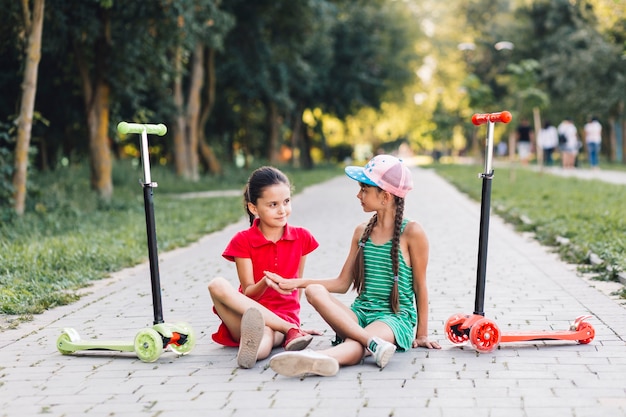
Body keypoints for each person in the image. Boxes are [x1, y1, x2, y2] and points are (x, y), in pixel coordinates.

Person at [265, 155, 441, 378]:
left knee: (360, 341)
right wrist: (296, 283)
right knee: (314, 291)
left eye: (364, 189)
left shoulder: (413, 232)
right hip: (359, 313)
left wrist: (422, 334)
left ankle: (320, 358)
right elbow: (341, 284)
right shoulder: (361, 232)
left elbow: (420, 285)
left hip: (393, 318)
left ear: (385, 196)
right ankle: (364, 346)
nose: (359, 195)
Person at [207, 166, 319, 369]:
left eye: (286, 202)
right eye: (273, 204)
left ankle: (251, 351)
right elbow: (248, 292)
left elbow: (298, 284)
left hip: (281, 316)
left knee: (265, 332)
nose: (282, 210)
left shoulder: (302, 237)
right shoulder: (242, 240)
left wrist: (295, 317)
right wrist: (264, 283)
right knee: (217, 284)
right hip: (246, 313)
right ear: (254, 208)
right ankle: (289, 330)